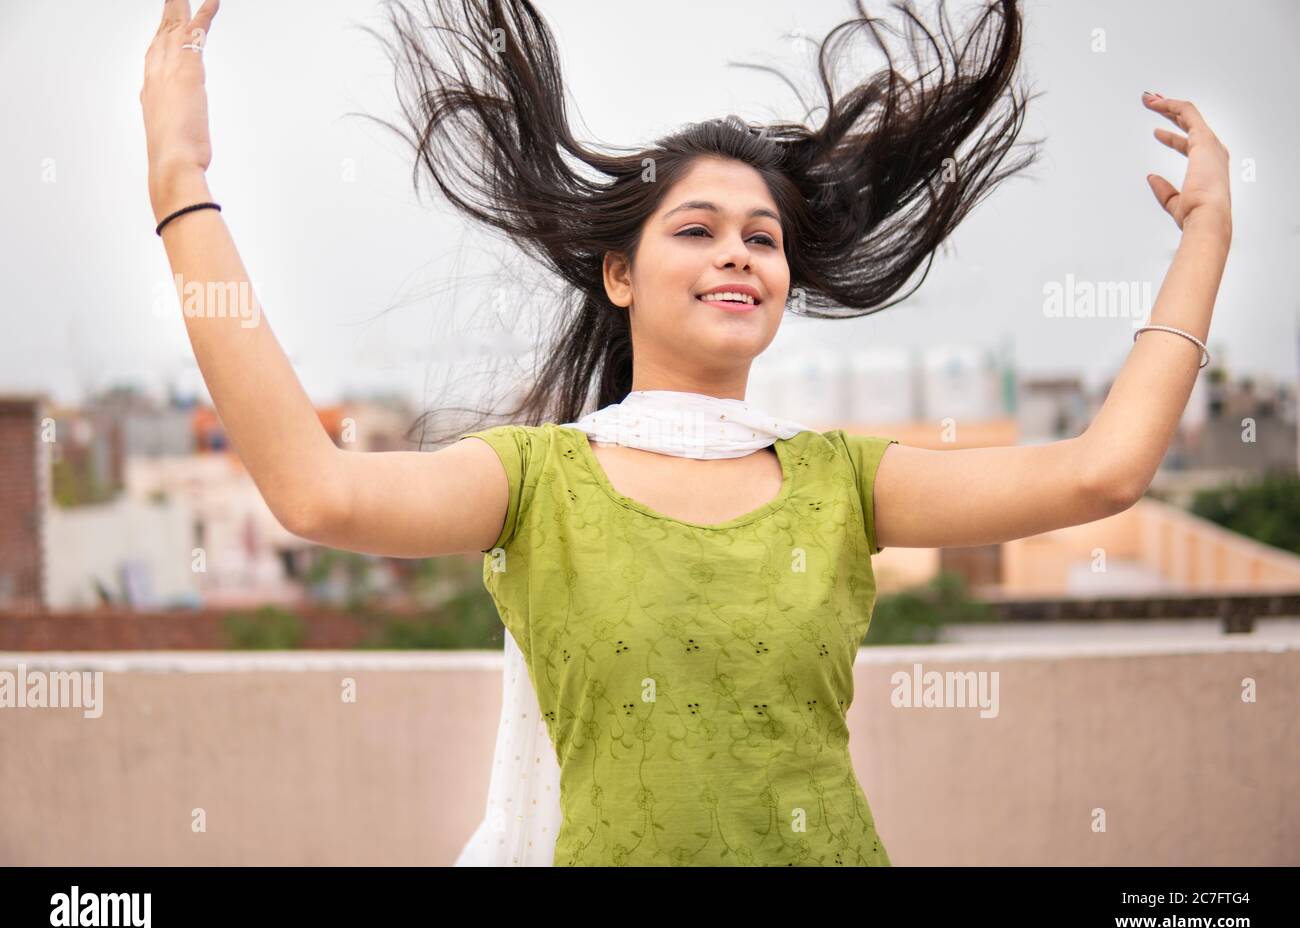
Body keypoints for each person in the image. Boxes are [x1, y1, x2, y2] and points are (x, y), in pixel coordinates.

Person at [140, 0, 1233, 866]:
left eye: (762, 237)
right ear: (619, 272)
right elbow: (313, 490)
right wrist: (180, 183)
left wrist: (1206, 238)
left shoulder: (841, 482)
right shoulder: (536, 481)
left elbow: (1104, 471)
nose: (738, 253)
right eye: (698, 229)